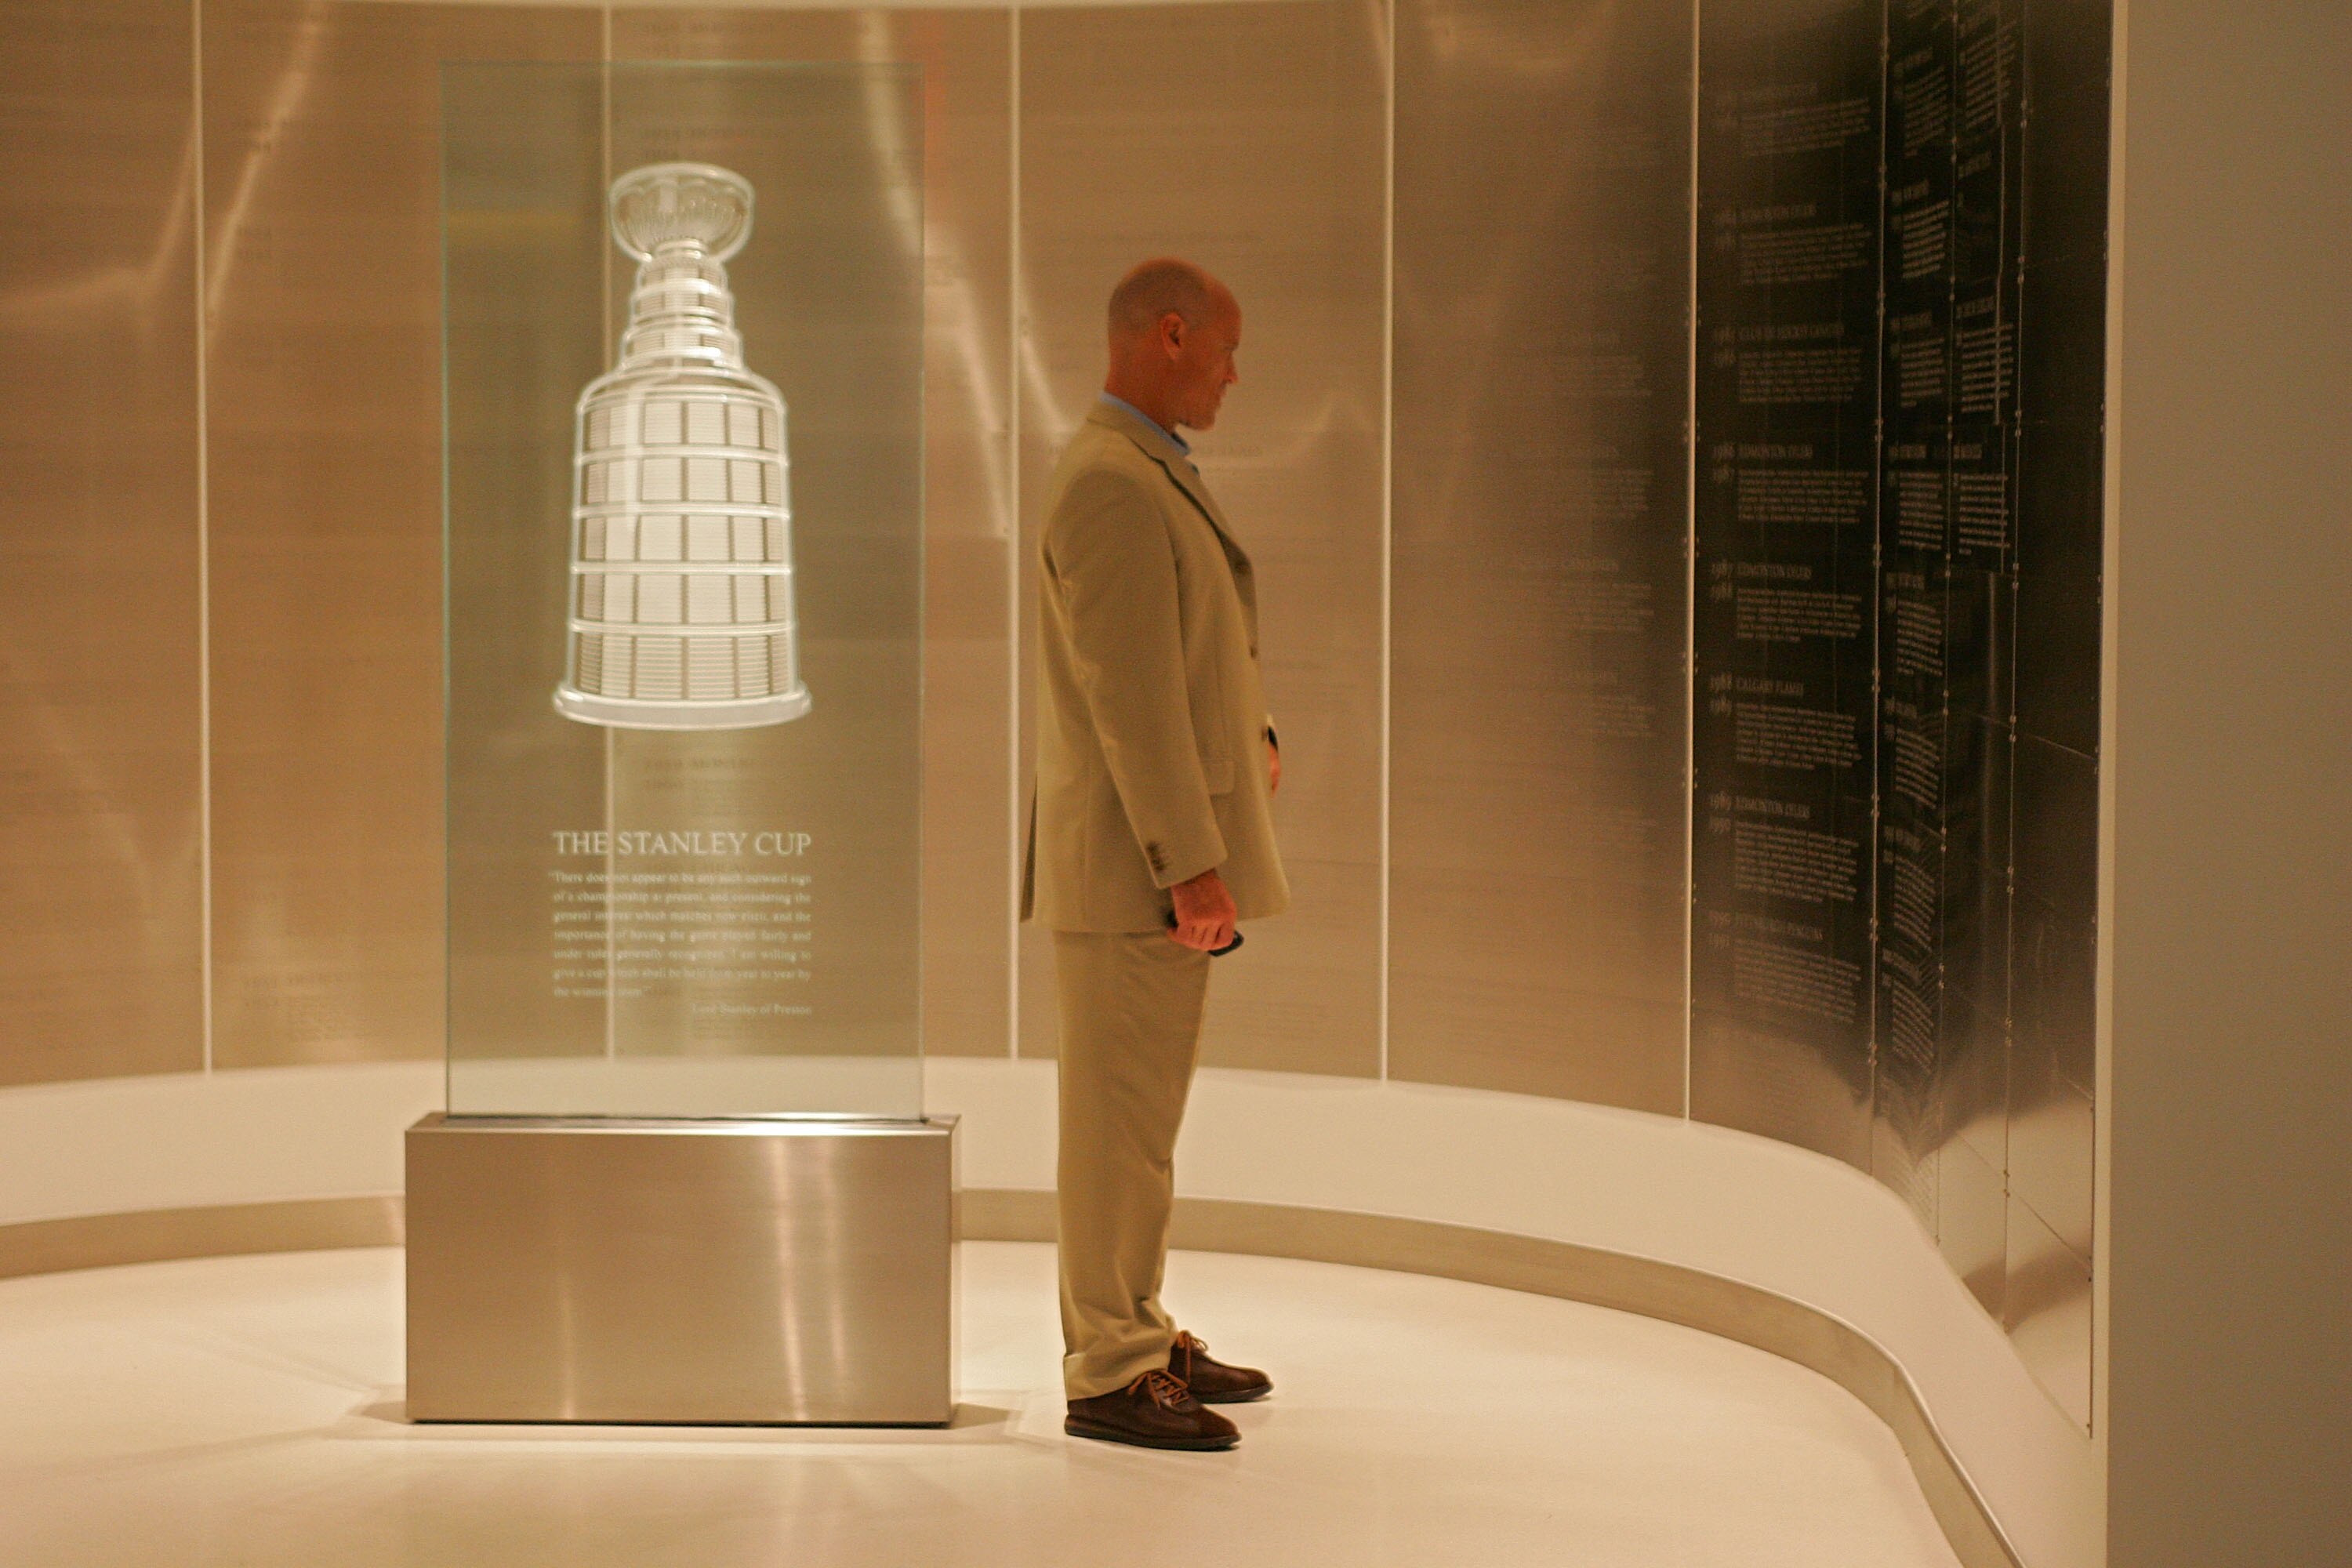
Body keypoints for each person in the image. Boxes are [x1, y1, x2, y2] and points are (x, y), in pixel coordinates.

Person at [1022, 258, 1290, 1451]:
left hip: (1148, 861)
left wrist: (1257, 738)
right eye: (1224, 349)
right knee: (1117, 1129)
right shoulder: (1112, 485)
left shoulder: (1141, 473)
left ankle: (1138, 1325)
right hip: (1137, 867)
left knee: (1142, 1124)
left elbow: (1186, 662)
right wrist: (1190, 861)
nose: (1236, 372)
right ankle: (1110, 1366)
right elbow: (1126, 696)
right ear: (1169, 336)